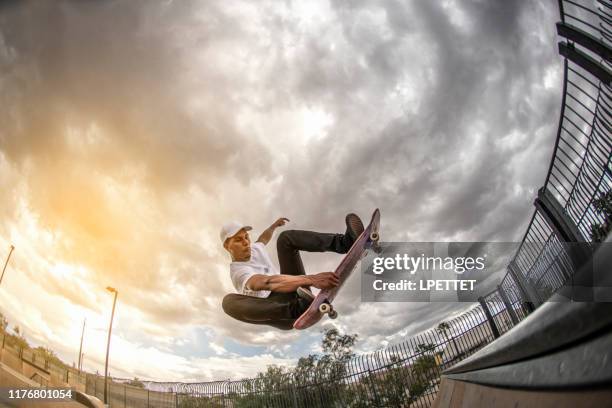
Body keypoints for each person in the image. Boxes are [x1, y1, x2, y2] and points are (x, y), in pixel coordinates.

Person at [221, 213, 365, 330]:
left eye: (246, 237)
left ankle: (345, 242)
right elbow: (266, 282)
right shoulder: (238, 272)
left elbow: (263, 238)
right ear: (227, 246)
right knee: (228, 303)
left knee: (285, 238)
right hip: (280, 312)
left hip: (295, 293)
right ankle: (297, 309)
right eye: (239, 240)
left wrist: (274, 226)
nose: (246, 242)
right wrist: (312, 279)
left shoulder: (255, 248)